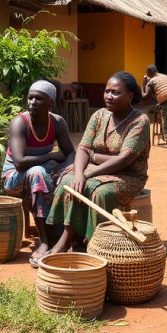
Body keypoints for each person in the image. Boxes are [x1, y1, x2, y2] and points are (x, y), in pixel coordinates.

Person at [47, 71, 151, 254]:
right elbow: (83, 148)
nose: (109, 96)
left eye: (116, 92)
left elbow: (125, 159)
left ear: (130, 95)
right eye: (107, 91)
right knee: (68, 182)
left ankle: (97, 244)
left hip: (129, 175)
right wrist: (80, 173)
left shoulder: (140, 121)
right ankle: (70, 238)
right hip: (96, 170)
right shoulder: (99, 115)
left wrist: (90, 167)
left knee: (99, 192)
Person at [2, 80, 75, 266]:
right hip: (13, 178)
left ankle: (64, 233)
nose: (32, 102)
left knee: (69, 178)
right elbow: (19, 163)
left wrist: (64, 169)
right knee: (37, 173)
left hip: (43, 170)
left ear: (50, 103)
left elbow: (70, 153)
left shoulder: (57, 123)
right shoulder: (20, 123)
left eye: (38, 98)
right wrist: (51, 155)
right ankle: (44, 240)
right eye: (30, 97)